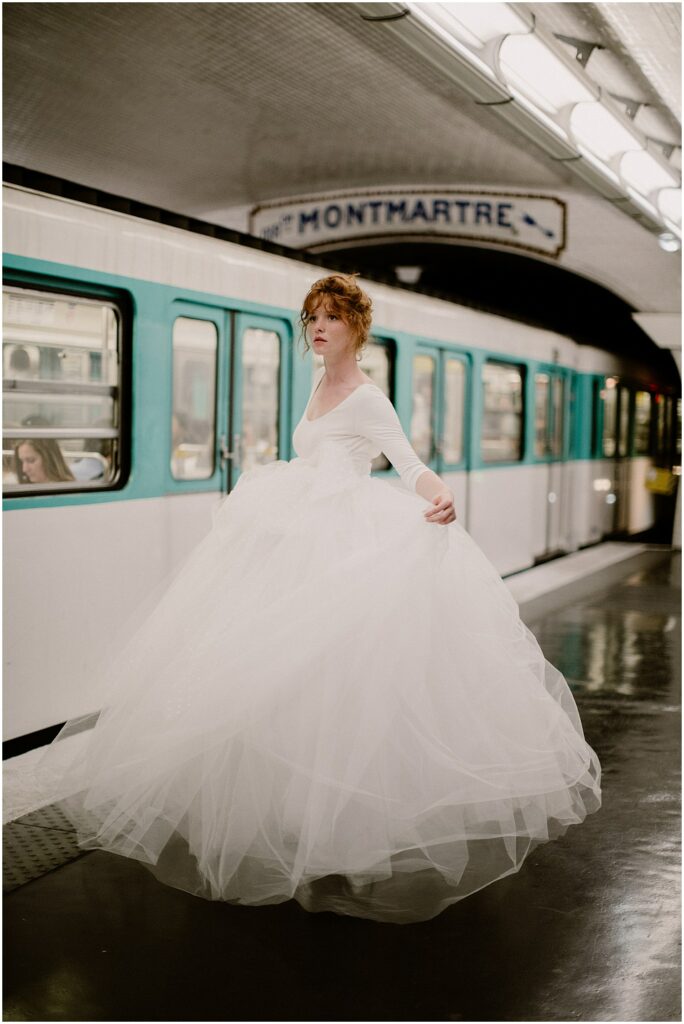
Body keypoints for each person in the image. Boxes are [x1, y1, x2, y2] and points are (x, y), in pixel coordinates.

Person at [41, 273, 601, 924]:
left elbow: (409, 462)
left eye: (331, 318)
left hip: (346, 546)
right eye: (311, 317)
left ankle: (348, 834)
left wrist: (439, 497)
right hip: (303, 539)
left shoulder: (369, 397)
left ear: (356, 328)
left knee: (343, 686)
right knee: (285, 683)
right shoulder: (316, 385)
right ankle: (292, 823)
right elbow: (313, 459)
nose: (317, 327)